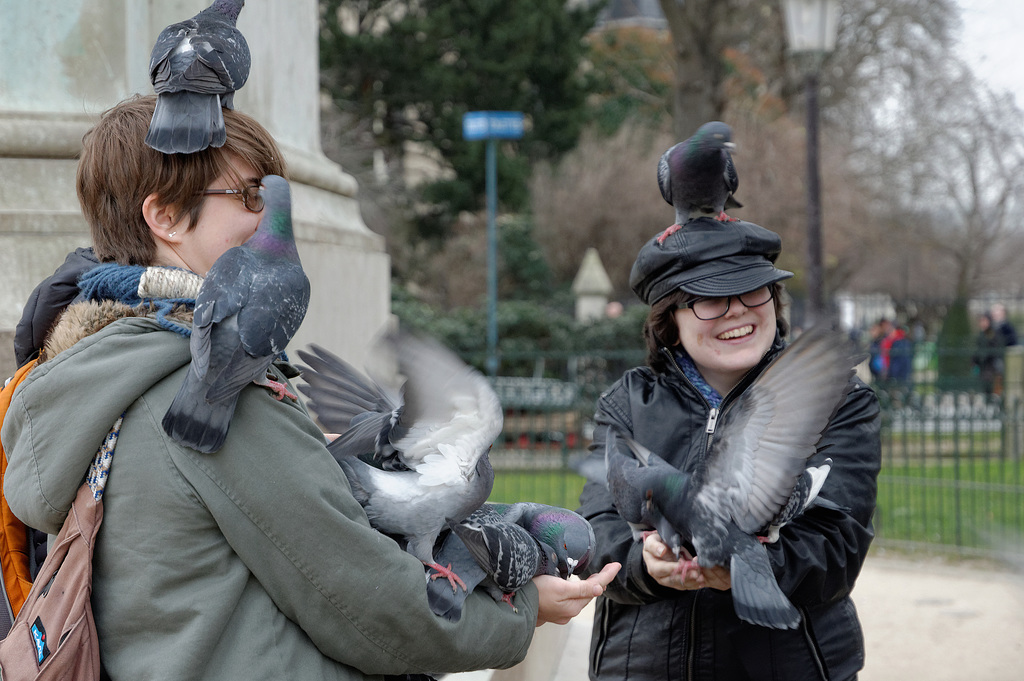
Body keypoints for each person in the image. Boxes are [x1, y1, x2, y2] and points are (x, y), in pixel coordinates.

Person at [0, 94, 619, 681]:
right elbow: (367, 602)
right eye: (246, 195)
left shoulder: (90, 376)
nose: (269, 217)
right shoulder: (215, 397)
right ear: (164, 216)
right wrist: (522, 609)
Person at [576, 218, 881, 681]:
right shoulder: (627, 403)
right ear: (670, 322)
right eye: (710, 298)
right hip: (642, 667)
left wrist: (750, 568)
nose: (738, 310)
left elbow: (838, 545)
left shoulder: (838, 397)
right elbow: (597, 533)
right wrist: (645, 565)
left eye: (754, 291)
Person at [973, 312, 1006, 397]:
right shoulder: (981, 335)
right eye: (981, 321)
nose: (982, 323)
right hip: (982, 366)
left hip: (991, 366)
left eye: (984, 321)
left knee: (991, 387)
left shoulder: (993, 334)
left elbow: (995, 350)